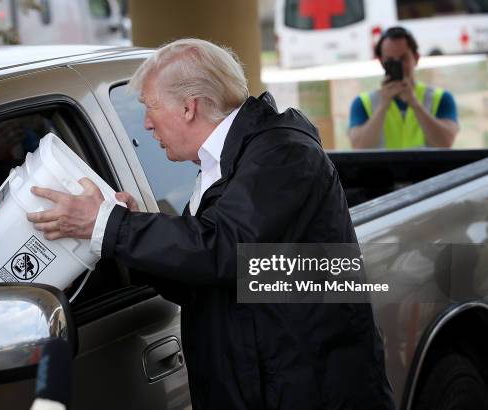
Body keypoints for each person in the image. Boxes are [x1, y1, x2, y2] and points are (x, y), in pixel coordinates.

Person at [28, 39, 395, 409]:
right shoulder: (224, 164)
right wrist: (124, 228)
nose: (146, 124)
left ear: (188, 107)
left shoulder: (282, 153)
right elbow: (198, 278)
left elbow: (222, 249)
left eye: (150, 107)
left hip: (309, 392)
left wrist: (113, 224)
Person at [349, 26, 459, 149]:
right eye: (390, 60)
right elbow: (359, 147)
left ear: (416, 58)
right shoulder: (363, 103)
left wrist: (414, 103)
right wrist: (383, 105)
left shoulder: (441, 99)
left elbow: (445, 143)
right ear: (381, 61)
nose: (398, 65)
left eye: (403, 58)